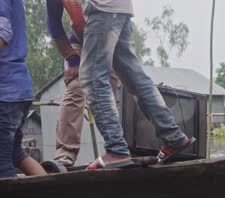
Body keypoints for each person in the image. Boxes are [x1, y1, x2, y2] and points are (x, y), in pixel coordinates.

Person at [79, 0, 195, 169]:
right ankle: (173, 136)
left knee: (93, 78)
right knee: (133, 76)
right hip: (120, 9)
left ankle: (116, 149)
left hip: (102, 8)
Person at [46, 0, 122, 167]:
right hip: (80, 39)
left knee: (114, 91)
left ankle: (123, 149)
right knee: (75, 86)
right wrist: (71, 59)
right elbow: (53, 23)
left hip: (109, 38)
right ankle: (65, 153)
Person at [0, 0, 47, 178]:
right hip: (18, 88)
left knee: (1, 165)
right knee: (15, 154)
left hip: (5, 93)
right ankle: (55, 195)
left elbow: (2, 33)